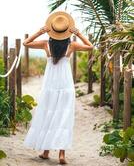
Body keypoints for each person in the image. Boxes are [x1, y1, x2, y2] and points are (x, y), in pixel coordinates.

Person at [23, 11, 93, 164]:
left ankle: (46, 151)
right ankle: (61, 154)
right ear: (67, 31)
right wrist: (79, 33)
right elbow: (90, 46)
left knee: (48, 114)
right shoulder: (72, 45)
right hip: (65, 85)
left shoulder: (45, 44)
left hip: (50, 85)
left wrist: (40, 32)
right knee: (63, 117)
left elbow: (26, 43)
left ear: (52, 29)